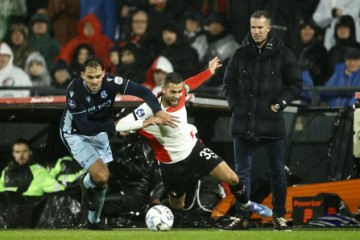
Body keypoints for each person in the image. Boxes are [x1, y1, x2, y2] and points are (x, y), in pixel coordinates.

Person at [115, 56, 273, 230]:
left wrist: (209, 71)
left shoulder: (181, 94)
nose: (177, 96)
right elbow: (120, 126)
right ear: (163, 90)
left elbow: (192, 83)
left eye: (179, 92)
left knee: (233, 178)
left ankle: (246, 205)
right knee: (178, 205)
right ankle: (158, 212)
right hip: (172, 164)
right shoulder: (148, 108)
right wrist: (147, 122)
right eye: (173, 92)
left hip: (194, 149)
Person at [59, 55, 177, 230]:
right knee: (101, 176)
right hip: (76, 133)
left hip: (99, 130)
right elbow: (85, 126)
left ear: (104, 74)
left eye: (98, 77)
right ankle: (86, 184)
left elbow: (144, 92)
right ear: (82, 75)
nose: (94, 81)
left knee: (102, 181)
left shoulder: (112, 82)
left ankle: (93, 221)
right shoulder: (74, 90)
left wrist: (158, 111)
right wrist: (123, 125)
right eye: (90, 77)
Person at [223, 10, 303, 231]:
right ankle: (241, 216)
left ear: (269, 28)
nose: (256, 31)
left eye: (260, 27)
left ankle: (279, 216)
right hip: (243, 121)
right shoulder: (239, 54)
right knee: (241, 173)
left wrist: (280, 103)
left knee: (278, 172)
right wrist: (235, 105)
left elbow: (296, 84)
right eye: (253, 27)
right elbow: (228, 83)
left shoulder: (283, 54)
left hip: (272, 121)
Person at [0, 138, 65, 196]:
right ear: (13, 153)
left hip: (30, 209)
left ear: (30, 152)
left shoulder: (38, 171)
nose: (21, 155)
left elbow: (58, 191)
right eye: (17, 152)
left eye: (25, 151)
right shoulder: (6, 172)